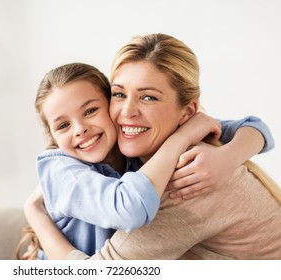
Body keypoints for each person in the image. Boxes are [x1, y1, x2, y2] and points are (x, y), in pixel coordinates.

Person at [24, 33, 280, 260]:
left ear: (187, 113)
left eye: (148, 97)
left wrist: (36, 216)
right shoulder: (170, 146)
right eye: (120, 94)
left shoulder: (189, 180)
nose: (127, 112)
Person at [20, 62, 223, 260]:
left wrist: (230, 155)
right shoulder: (61, 170)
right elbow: (129, 209)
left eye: (90, 111)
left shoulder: (131, 144)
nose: (80, 129)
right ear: (53, 137)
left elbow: (223, 126)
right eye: (63, 125)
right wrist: (181, 139)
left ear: (111, 106)